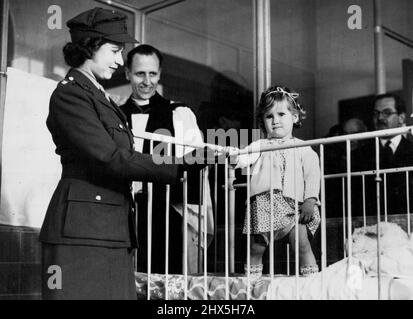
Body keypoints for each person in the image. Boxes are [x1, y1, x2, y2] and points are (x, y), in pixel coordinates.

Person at [40, 7, 212, 300]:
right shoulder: (71, 94)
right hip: (84, 230)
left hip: (109, 227)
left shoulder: (96, 94)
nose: (120, 61)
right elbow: (110, 157)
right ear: (90, 46)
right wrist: (179, 165)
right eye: (115, 50)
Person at [120, 44, 214, 274]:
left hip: (170, 210)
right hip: (125, 210)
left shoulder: (179, 114)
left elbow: (198, 157)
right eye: (140, 73)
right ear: (127, 73)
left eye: (153, 74)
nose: (147, 81)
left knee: (171, 278)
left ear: (160, 74)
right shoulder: (115, 115)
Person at [231, 85, 321, 279]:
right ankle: (251, 283)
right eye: (269, 116)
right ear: (263, 121)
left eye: (281, 114)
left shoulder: (304, 148)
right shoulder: (260, 145)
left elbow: (312, 175)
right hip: (264, 205)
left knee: (301, 242)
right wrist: (233, 158)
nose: (275, 120)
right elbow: (243, 158)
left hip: (293, 205)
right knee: (256, 247)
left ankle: (312, 282)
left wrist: (310, 200)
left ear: (295, 117)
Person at [354, 93, 413, 216]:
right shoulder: (358, 155)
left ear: (401, 118)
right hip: (370, 225)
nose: (380, 118)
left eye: (387, 113)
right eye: (376, 113)